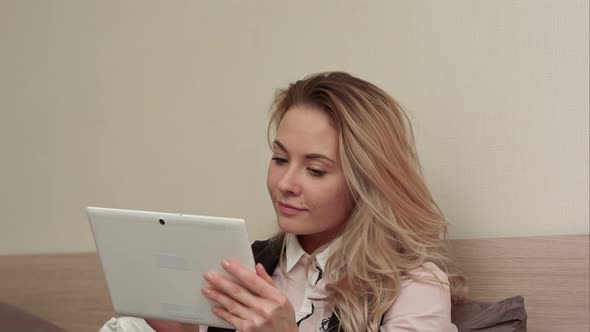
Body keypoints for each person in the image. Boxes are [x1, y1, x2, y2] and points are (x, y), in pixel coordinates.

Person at [100, 72, 465, 332]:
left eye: (316, 170)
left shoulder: (412, 286)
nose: (284, 184)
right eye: (279, 159)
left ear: (366, 181)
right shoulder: (238, 268)